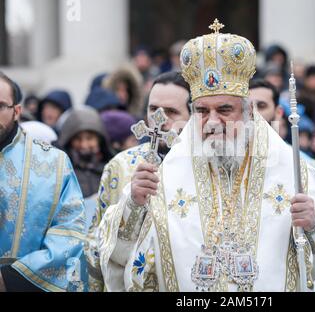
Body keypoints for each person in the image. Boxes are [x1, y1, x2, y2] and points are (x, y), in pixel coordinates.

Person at [88, 21, 315, 292]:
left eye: (225, 109)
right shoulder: (165, 175)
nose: (212, 121)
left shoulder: (291, 171)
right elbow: (114, 256)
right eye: (202, 111)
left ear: (248, 111)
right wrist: (133, 205)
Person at [85, 71, 191, 291]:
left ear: (192, 117)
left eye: (171, 112)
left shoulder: (201, 169)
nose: (160, 119)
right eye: (153, 109)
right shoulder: (119, 167)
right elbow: (96, 243)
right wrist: (132, 205)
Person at [0, 73, 85, 292]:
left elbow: (70, 233)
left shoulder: (54, 163)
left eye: (0, 106)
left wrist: (8, 279)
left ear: (17, 111)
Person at [249, 78, 315, 167]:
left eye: (261, 106)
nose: (253, 113)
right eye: (247, 107)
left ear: (278, 112)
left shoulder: (302, 164)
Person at [58, 106, 113, 199]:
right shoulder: (61, 171)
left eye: (89, 138)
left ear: (100, 140)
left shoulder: (111, 170)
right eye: (77, 138)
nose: (84, 145)